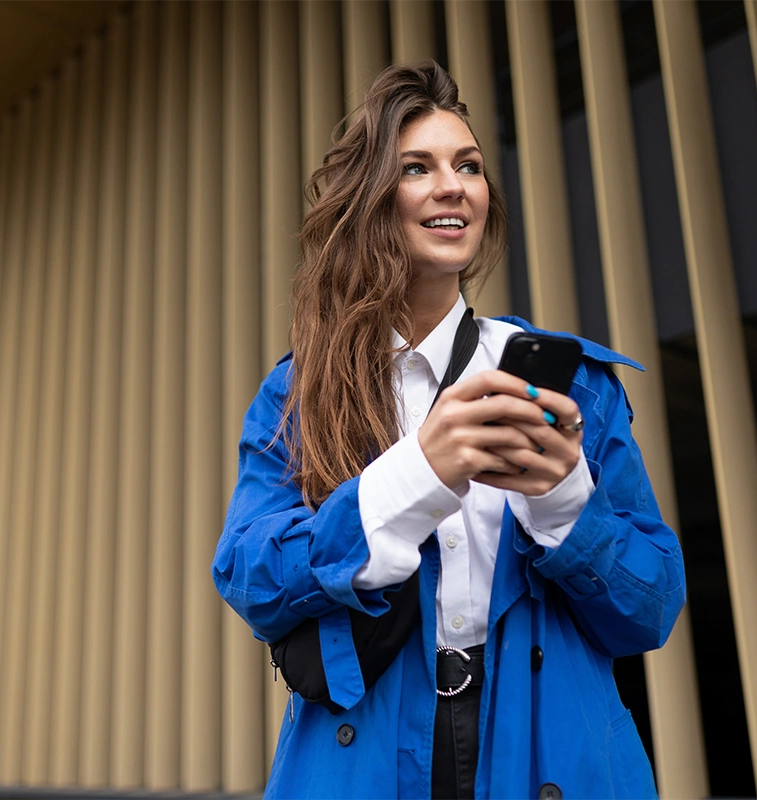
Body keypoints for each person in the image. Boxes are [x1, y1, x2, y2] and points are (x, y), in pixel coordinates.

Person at [211, 61, 685, 799]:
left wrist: (565, 503)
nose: (453, 185)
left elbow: (651, 609)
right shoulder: (303, 391)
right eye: (417, 168)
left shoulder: (575, 386)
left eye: (468, 165)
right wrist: (416, 475)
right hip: (360, 761)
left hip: (551, 758)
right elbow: (249, 578)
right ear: (371, 202)